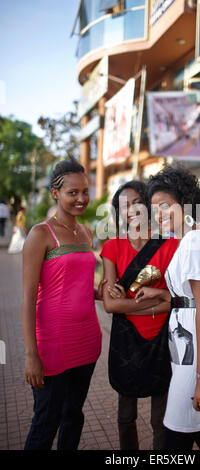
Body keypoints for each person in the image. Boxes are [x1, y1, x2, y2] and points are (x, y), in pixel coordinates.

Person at [135, 165, 200, 450]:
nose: (158, 215)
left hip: (197, 354)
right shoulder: (186, 243)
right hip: (190, 346)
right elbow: (188, 298)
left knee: (176, 430)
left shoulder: (193, 243)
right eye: (154, 209)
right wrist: (158, 291)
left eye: (166, 206)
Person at [22, 156, 103, 450]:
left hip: (88, 340)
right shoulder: (41, 234)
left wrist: (103, 291)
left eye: (85, 191)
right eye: (72, 192)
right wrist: (31, 354)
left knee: (73, 416)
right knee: (46, 422)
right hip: (53, 344)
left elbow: (79, 285)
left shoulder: (86, 233)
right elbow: (28, 298)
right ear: (55, 194)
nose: (81, 199)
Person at [100, 181, 178, 450]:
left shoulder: (170, 247)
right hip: (126, 338)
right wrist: (157, 303)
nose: (131, 210)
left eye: (136, 202)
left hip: (161, 339)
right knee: (125, 415)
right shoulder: (112, 247)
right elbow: (110, 305)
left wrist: (130, 302)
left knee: (161, 418)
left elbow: (177, 301)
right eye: (124, 206)